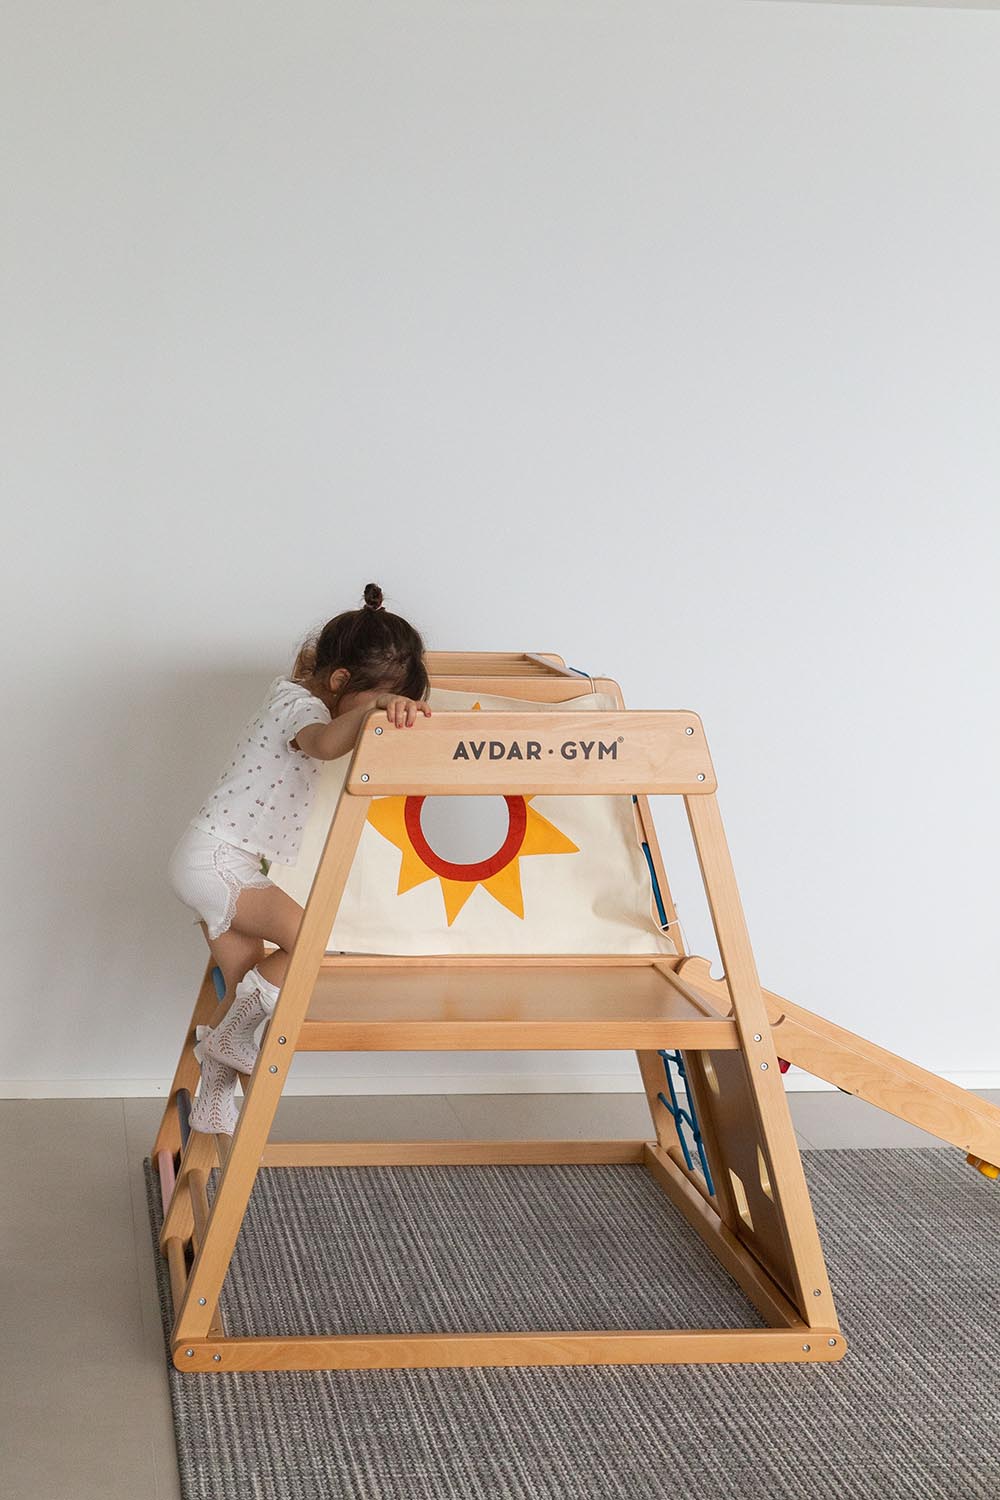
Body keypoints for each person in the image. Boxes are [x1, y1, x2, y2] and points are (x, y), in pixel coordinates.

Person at [166, 582, 431, 1133]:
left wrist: (377, 701)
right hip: (215, 861)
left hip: (219, 860)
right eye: (370, 698)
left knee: (250, 988)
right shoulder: (299, 707)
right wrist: (375, 710)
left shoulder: (293, 692)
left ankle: (215, 1099)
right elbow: (326, 744)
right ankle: (226, 1041)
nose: (375, 715)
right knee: (311, 944)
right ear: (338, 683)